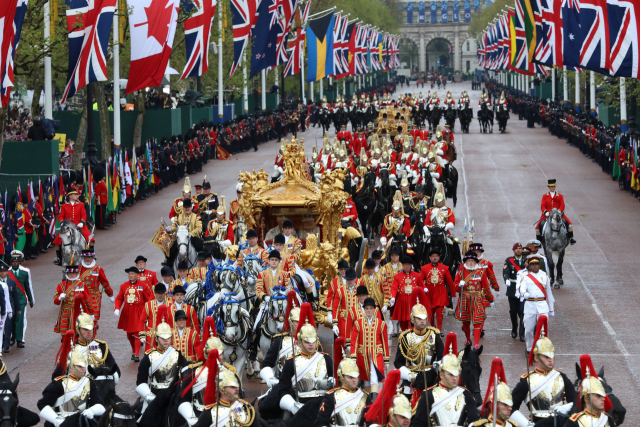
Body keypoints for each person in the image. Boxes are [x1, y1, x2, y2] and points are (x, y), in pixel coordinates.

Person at [511, 315, 575, 422]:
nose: (551, 360)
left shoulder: (562, 377)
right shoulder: (527, 381)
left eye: (552, 356)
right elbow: (510, 407)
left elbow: (577, 402)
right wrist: (526, 424)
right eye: (546, 357)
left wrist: (566, 408)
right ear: (536, 357)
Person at [412, 332, 480, 427]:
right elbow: (419, 424)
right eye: (451, 374)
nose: (455, 378)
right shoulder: (428, 395)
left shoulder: (466, 394)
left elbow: (474, 420)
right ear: (441, 374)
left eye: (457, 374)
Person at [278, 303, 334, 418]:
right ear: (299, 342)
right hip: (299, 406)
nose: (311, 345)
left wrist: (332, 383)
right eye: (307, 342)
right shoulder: (290, 363)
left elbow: (334, 387)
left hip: (322, 407)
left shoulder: (326, 359)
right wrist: (293, 406)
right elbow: (283, 390)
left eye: (313, 341)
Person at [135, 310, 188, 424]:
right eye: (162, 338)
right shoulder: (149, 357)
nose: (166, 340)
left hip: (173, 395)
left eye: (168, 337)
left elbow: (187, 374)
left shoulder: (177, 355)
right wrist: (149, 397)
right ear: (156, 338)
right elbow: (140, 381)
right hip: (155, 395)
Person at [395, 288, 443, 408]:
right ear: (412, 319)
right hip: (412, 377)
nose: (422, 321)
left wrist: (437, 368)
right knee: (402, 403)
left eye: (424, 318)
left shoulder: (434, 335)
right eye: (419, 319)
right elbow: (398, 363)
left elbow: (442, 356)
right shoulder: (405, 337)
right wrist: (411, 376)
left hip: (432, 376)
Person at [38, 346, 105, 427]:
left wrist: (92, 410)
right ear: (71, 366)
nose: (83, 369)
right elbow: (42, 404)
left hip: (82, 421)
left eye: (84, 366)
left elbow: (99, 404)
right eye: (79, 367)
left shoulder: (89, 382)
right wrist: (56, 419)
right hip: (63, 421)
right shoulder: (59, 383)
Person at [315, 347, 368, 427]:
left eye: (356, 376)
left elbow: (371, 420)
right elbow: (321, 422)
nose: (354, 380)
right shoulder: (331, 397)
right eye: (350, 377)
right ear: (341, 378)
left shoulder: (365, 396)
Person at [474, 358, 531, 427]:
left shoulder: (513, 425)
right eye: (505, 405)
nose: (510, 408)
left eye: (510, 405)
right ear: (492, 405)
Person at [453, 251, 494, 348]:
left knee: (477, 323)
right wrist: (459, 285)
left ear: (476, 262)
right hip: (465, 300)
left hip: (477, 300)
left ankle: (476, 344)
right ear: (465, 262)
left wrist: (491, 299)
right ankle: (468, 339)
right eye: (469, 261)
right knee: (465, 323)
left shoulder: (481, 273)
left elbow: (486, 288)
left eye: (472, 261)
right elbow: (455, 288)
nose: (470, 262)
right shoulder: (461, 273)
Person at [260, 292, 301, 387]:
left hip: (307, 388)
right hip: (270, 302)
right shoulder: (280, 341)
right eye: (296, 321)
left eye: (301, 320)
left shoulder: (313, 341)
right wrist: (270, 378)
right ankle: (252, 347)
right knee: (257, 322)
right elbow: (267, 363)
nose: (299, 323)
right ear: (290, 322)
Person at [114, 266, 154, 362]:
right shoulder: (123, 286)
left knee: (137, 332)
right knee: (129, 334)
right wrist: (117, 308)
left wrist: (149, 313)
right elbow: (119, 298)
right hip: (128, 313)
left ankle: (136, 354)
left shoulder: (143, 286)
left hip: (139, 312)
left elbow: (149, 300)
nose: (130, 275)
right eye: (129, 274)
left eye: (132, 274)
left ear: (137, 275)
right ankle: (133, 350)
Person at [564, 354, 616, 427]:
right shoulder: (574, 423)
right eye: (598, 396)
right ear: (586, 398)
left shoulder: (608, 420)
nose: (603, 398)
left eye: (602, 395)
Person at [517, 255, 554, 354]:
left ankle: (542, 348)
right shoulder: (525, 277)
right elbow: (522, 288)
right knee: (529, 329)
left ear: (539, 265)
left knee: (543, 330)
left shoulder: (545, 277)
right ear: (529, 266)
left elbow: (549, 294)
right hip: (530, 305)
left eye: (536, 264)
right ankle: (529, 348)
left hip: (542, 305)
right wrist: (524, 293)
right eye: (532, 264)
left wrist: (551, 309)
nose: (534, 266)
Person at [70, 313, 121, 381]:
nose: (89, 332)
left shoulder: (101, 346)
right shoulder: (71, 349)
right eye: (85, 329)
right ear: (78, 330)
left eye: (91, 328)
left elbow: (116, 370)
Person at [52, 187, 92, 265]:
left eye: (76, 194)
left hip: (79, 226)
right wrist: (62, 223)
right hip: (68, 227)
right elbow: (61, 216)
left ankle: (90, 255)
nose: (76, 195)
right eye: (75, 194)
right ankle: (59, 259)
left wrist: (82, 222)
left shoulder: (81, 205)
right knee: (57, 241)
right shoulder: (64, 206)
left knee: (90, 239)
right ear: (70, 196)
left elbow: (84, 215)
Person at [53, 261, 92, 337]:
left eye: (74, 273)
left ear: (77, 274)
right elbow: (55, 301)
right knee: (65, 334)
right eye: (70, 273)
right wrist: (59, 298)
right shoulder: (61, 285)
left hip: (78, 311)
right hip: (65, 312)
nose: (72, 275)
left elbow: (88, 300)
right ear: (67, 274)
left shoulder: (82, 285)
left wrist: (91, 313)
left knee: (79, 333)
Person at [419, 249, 454, 331]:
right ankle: (432, 327)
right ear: (430, 258)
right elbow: (420, 280)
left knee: (439, 312)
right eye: (433, 256)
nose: (435, 258)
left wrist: (453, 294)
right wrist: (424, 287)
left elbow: (450, 282)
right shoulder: (424, 268)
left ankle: (439, 329)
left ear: (439, 257)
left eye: (436, 256)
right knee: (430, 312)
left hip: (440, 293)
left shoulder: (444, 268)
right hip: (429, 293)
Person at [79, 248, 113, 327]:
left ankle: (93, 333)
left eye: (89, 257)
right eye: (86, 257)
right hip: (82, 296)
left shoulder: (98, 269)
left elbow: (105, 282)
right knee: (81, 318)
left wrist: (110, 294)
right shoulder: (78, 269)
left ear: (92, 257)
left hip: (94, 296)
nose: (87, 259)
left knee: (94, 319)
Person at [536, 179, 576, 245]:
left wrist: (559, 211)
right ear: (549, 187)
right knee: (538, 226)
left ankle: (571, 238)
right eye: (551, 186)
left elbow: (562, 205)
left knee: (569, 223)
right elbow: (542, 206)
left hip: (558, 214)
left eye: (554, 186)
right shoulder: (545, 196)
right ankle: (539, 241)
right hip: (547, 215)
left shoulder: (560, 196)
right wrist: (546, 212)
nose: (553, 188)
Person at [390, 256, 425, 331]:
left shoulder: (417, 275)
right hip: (402, 302)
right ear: (402, 265)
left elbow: (421, 285)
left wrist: (424, 289)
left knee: (412, 320)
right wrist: (393, 297)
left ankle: (413, 334)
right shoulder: (397, 276)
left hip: (413, 302)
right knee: (403, 323)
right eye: (405, 265)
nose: (407, 266)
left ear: (411, 265)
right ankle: (404, 335)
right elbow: (394, 288)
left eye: (408, 265)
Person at [167, 198, 203, 266]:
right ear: (183, 208)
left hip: (192, 237)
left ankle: (204, 264)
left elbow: (199, 228)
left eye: (188, 207)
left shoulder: (196, 217)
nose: (187, 209)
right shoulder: (178, 216)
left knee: (202, 247)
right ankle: (169, 265)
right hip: (181, 238)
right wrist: (170, 229)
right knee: (171, 249)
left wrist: (191, 234)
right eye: (185, 207)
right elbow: (174, 226)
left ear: (191, 207)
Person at [7, 253, 34, 347]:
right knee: (12, 319)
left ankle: (19, 340)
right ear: (11, 263)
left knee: (19, 319)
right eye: (13, 262)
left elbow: (27, 287)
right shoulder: (7, 274)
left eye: (16, 262)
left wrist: (30, 300)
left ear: (19, 263)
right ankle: (13, 337)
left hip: (21, 299)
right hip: (10, 299)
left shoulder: (24, 273)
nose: (15, 263)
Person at [503, 243, 526, 340]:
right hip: (512, 288)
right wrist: (506, 279)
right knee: (513, 311)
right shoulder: (509, 260)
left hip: (523, 289)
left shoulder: (526, 260)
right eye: (516, 248)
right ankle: (514, 328)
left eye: (520, 248)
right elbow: (506, 272)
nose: (518, 250)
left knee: (523, 312)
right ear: (513, 250)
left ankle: (522, 332)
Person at [380, 247, 403, 336]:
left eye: (396, 255)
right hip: (390, 293)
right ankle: (394, 329)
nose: (394, 257)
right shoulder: (385, 267)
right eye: (393, 255)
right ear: (390, 257)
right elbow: (383, 280)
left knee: (401, 310)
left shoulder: (402, 266)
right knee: (392, 311)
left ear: (399, 256)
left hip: (400, 292)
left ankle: (400, 328)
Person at [331, 267, 360, 339]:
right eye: (348, 279)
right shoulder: (340, 291)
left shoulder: (360, 290)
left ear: (355, 279)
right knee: (344, 341)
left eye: (351, 279)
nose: (349, 281)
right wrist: (335, 324)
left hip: (357, 319)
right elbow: (335, 307)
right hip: (344, 320)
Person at [326, 259, 349, 326]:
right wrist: (329, 312)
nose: (343, 271)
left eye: (345, 269)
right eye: (341, 269)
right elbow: (330, 298)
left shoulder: (353, 281)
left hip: (351, 313)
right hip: (338, 314)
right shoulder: (334, 282)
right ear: (338, 270)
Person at [0, 261, 15, 353]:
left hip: (3, 310)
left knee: (6, 328)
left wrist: (9, 311)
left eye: (3, 271)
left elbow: (7, 299)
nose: (2, 273)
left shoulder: (5, 285)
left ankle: (5, 347)